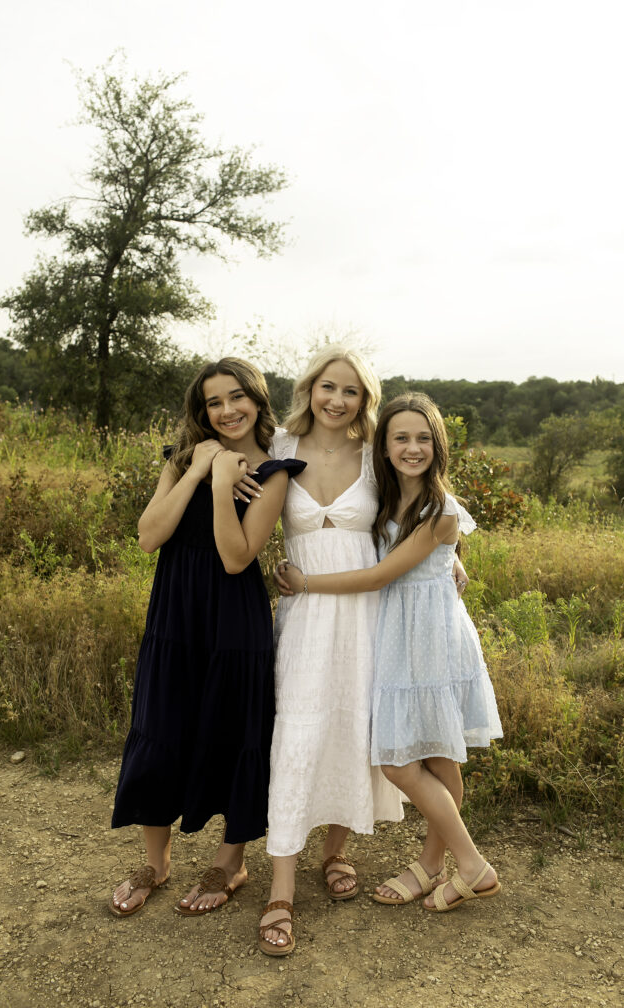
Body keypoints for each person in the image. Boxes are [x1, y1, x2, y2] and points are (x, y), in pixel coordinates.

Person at [278, 392, 502, 917]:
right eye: (401, 437)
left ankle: (471, 866)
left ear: (438, 445)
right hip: (399, 632)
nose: (412, 447)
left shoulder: (439, 507)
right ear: (385, 444)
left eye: (423, 438)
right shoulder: (387, 495)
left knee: (399, 760)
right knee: (436, 754)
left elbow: (381, 573)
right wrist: (453, 565)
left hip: (429, 640)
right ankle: (430, 866)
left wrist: (306, 582)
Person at [109, 357, 304, 917]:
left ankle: (230, 862)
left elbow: (237, 556)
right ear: (202, 410)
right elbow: (149, 537)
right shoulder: (182, 458)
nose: (227, 410)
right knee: (160, 724)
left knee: (232, 731)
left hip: (233, 620)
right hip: (174, 615)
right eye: (214, 402)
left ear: (257, 400)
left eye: (237, 397)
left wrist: (222, 485)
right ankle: (157, 861)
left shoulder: (274, 471)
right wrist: (196, 470)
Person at [256, 346, 405, 956]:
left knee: (353, 726)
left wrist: (455, 565)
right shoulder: (279, 447)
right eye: (328, 388)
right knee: (296, 733)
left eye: (351, 392)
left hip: (365, 612)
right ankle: (280, 889)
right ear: (310, 389)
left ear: (364, 401)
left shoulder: (377, 456)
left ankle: (337, 851)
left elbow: (417, 515)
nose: (338, 401)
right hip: (303, 610)